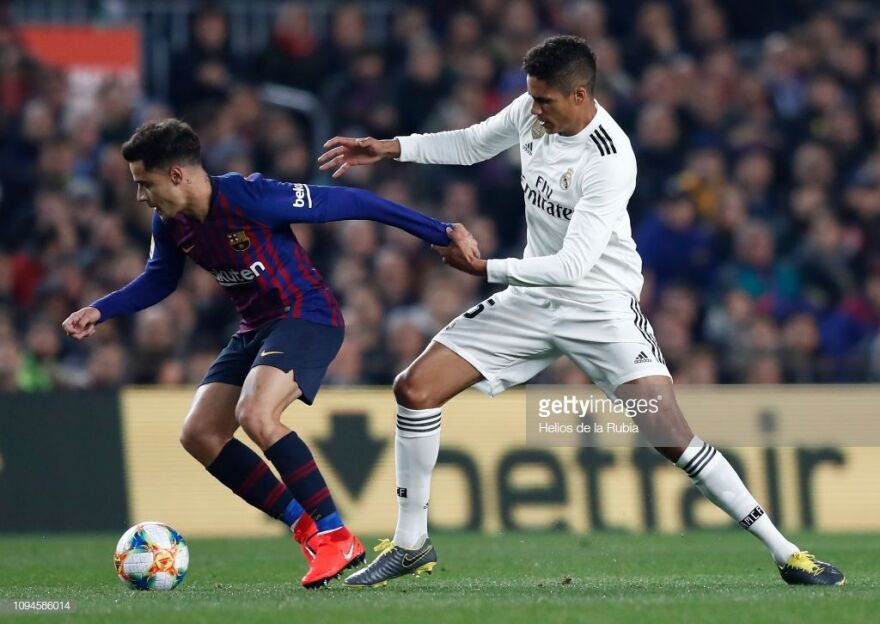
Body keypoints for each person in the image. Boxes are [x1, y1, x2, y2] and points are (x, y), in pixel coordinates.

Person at [318, 35, 845, 587]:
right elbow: (473, 143)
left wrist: (484, 269)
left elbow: (573, 266)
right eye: (531, 98)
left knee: (671, 437)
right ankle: (411, 544)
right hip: (532, 297)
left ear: (579, 94)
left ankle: (787, 553)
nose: (534, 110)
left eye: (544, 101)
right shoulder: (532, 111)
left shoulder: (610, 159)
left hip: (600, 306)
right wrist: (389, 148)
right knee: (414, 389)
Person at [63, 118, 453, 588]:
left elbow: (355, 202)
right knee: (200, 434)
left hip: (307, 314)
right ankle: (307, 528)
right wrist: (101, 309)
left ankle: (336, 534)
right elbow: (160, 278)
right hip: (255, 327)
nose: (142, 196)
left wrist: (440, 231)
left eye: (145, 184)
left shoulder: (251, 197)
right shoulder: (169, 222)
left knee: (255, 412)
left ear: (177, 175)